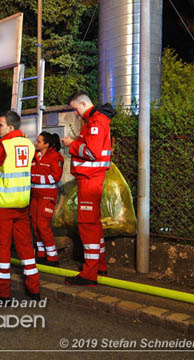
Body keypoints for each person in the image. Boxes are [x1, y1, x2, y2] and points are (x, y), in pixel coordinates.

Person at [0, 110, 40, 302]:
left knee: (2, 248)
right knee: (25, 247)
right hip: (22, 205)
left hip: (4, 206)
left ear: (10, 127)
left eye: (0, 125)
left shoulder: (5, 146)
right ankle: (34, 289)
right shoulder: (29, 145)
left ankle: (2, 292)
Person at [62, 92, 114, 286]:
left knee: (87, 224)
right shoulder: (95, 120)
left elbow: (92, 152)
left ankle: (89, 273)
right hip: (90, 178)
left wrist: (72, 144)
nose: (75, 113)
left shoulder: (96, 122)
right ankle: (99, 265)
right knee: (93, 224)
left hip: (90, 180)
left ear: (84, 103)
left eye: (75, 108)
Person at [31, 132, 64, 266]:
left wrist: (34, 178)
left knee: (42, 225)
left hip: (47, 195)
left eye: (38, 142)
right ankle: (41, 253)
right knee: (35, 225)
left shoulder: (56, 157)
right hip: (34, 195)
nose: (36, 143)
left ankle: (52, 257)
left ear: (46, 144)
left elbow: (55, 177)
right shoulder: (34, 156)